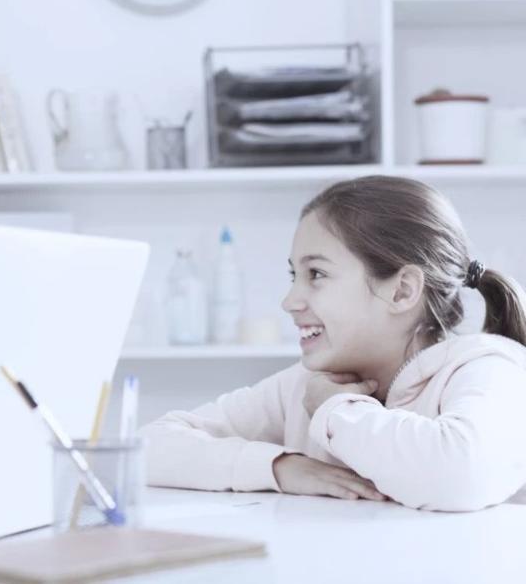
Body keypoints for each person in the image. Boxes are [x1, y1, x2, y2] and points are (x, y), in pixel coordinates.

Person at [142, 175, 526, 512]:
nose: (289, 301)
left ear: (402, 291)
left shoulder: (490, 369)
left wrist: (336, 411)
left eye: (316, 274)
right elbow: (147, 447)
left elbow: (461, 474)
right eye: (294, 275)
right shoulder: (302, 386)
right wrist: (279, 467)